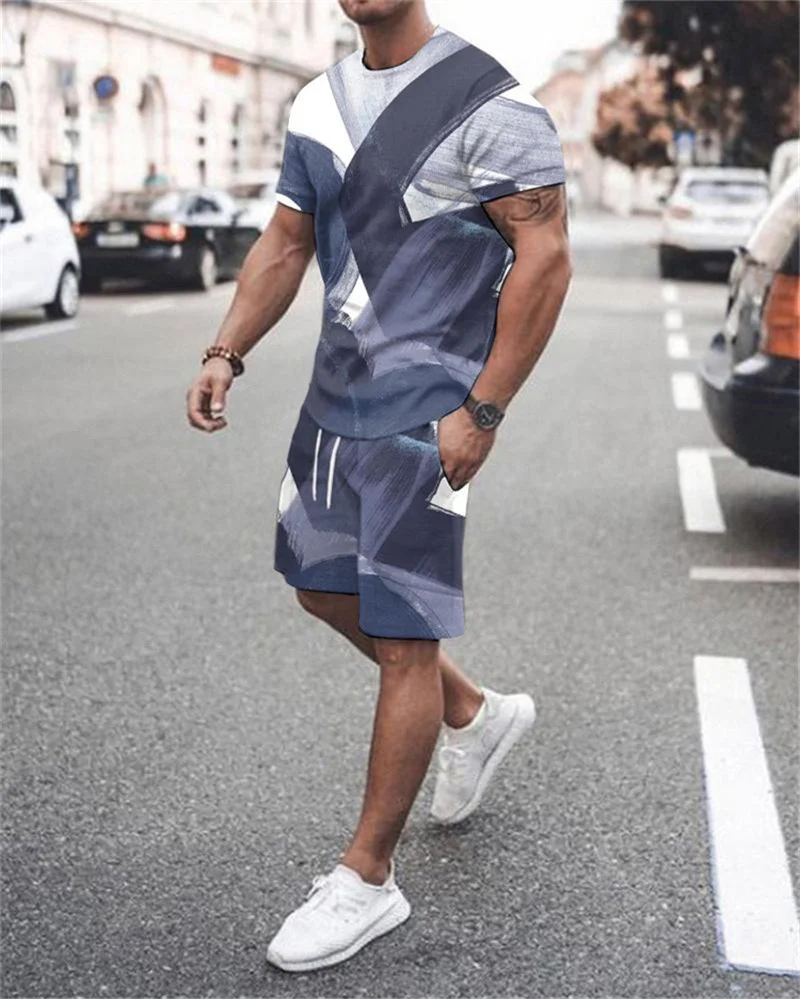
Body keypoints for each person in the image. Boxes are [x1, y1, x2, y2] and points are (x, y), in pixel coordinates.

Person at [186, 0, 571, 972]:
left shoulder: (492, 102)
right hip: (334, 403)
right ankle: (473, 712)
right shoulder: (316, 101)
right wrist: (226, 349)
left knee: (405, 638)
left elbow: (545, 256)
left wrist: (483, 408)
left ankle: (367, 878)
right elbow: (285, 242)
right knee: (322, 590)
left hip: (426, 418)